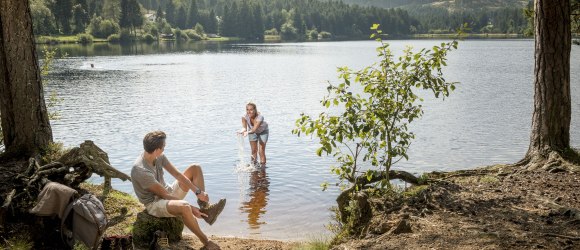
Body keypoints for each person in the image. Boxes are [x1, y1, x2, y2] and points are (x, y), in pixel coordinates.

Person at [131, 131, 225, 249]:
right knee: (185, 206)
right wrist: (192, 209)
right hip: (155, 203)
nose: (164, 149)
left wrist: (197, 192)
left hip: (167, 192)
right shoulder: (140, 170)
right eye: (163, 147)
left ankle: (206, 210)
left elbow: (177, 174)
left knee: (195, 168)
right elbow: (165, 195)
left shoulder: (158, 156)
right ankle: (206, 241)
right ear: (156, 150)